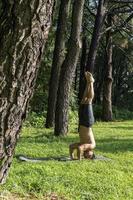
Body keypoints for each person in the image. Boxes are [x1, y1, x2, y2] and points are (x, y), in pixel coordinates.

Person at [69, 71, 96, 160]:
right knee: (89, 100)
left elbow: (71, 146)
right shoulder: (92, 146)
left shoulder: (82, 144)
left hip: (82, 123)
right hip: (88, 122)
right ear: (92, 153)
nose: (87, 155)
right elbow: (81, 148)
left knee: (83, 100)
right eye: (90, 156)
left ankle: (88, 82)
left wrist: (72, 157)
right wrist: (79, 159)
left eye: (86, 156)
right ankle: (91, 82)